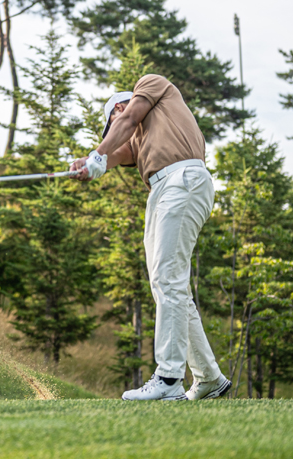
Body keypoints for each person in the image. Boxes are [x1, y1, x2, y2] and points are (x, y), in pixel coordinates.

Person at [71, 74, 231, 401]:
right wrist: (89, 164)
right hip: (161, 190)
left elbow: (128, 121)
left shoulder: (152, 86)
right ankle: (209, 377)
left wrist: (98, 152)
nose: (117, 132)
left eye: (113, 123)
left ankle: (169, 379)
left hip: (183, 178)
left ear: (119, 106)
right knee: (165, 285)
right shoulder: (140, 143)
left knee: (168, 279)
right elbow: (117, 154)